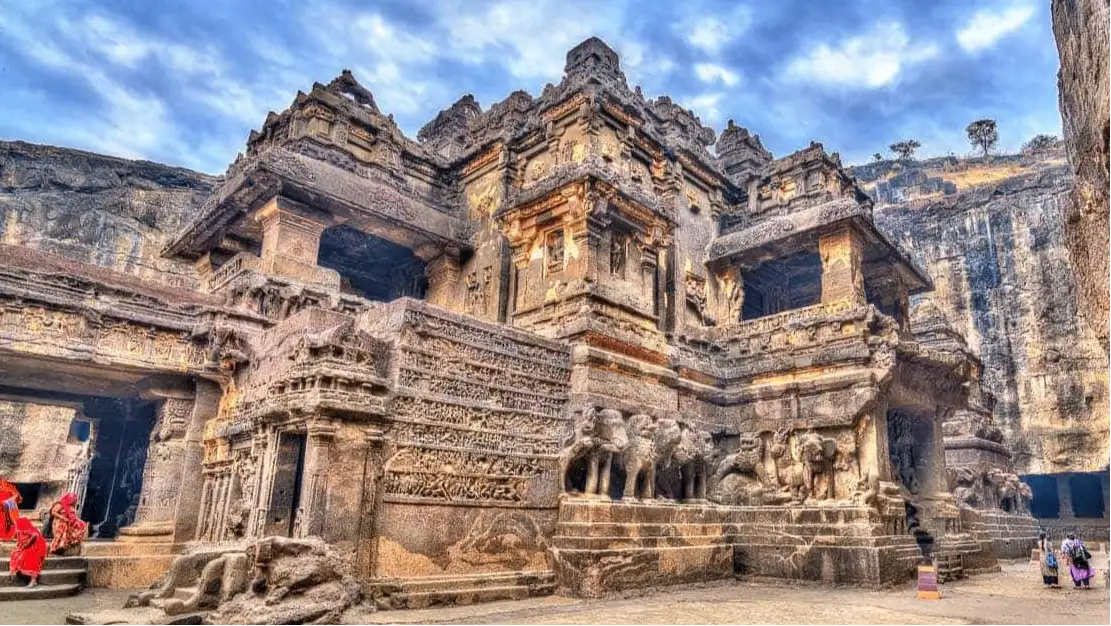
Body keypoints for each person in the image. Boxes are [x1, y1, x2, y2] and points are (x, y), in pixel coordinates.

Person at [9, 517, 47, 587]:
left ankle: (33, 580)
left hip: (35, 548)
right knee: (15, 554)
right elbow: (20, 540)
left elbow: (35, 535)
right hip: (28, 547)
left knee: (30, 557)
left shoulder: (28, 529)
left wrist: (26, 544)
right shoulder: (20, 530)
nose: (16, 526)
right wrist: (21, 547)